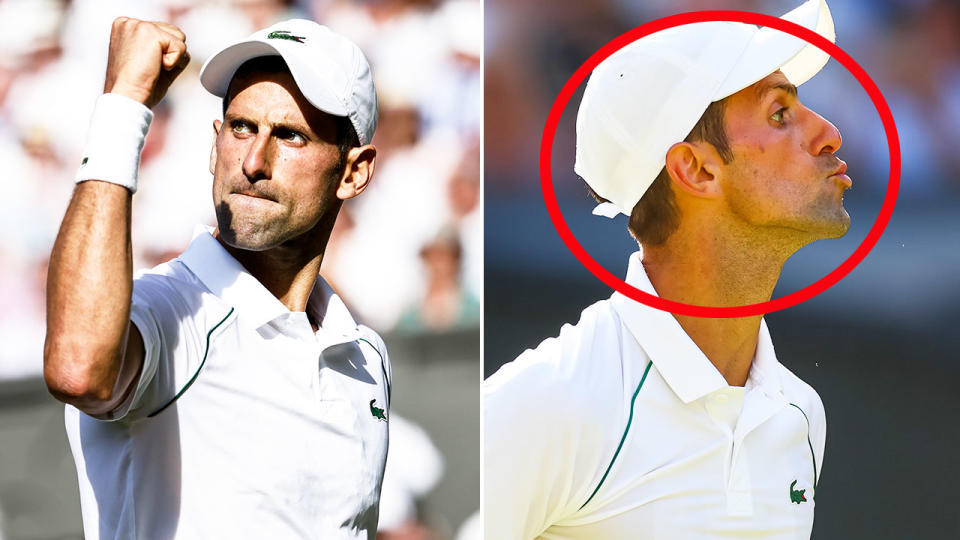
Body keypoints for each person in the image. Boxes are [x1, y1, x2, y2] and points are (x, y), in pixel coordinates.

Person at [484, 0, 844, 538]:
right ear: (695, 169)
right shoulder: (547, 403)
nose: (829, 133)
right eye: (779, 114)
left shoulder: (800, 415)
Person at [43, 17, 391, 539]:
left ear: (352, 172)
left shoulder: (366, 357)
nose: (253, 161)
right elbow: (78, 369)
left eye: (290, 136)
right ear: (214, 143)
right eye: (241, 127)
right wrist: (123, 105)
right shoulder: (168, 312)